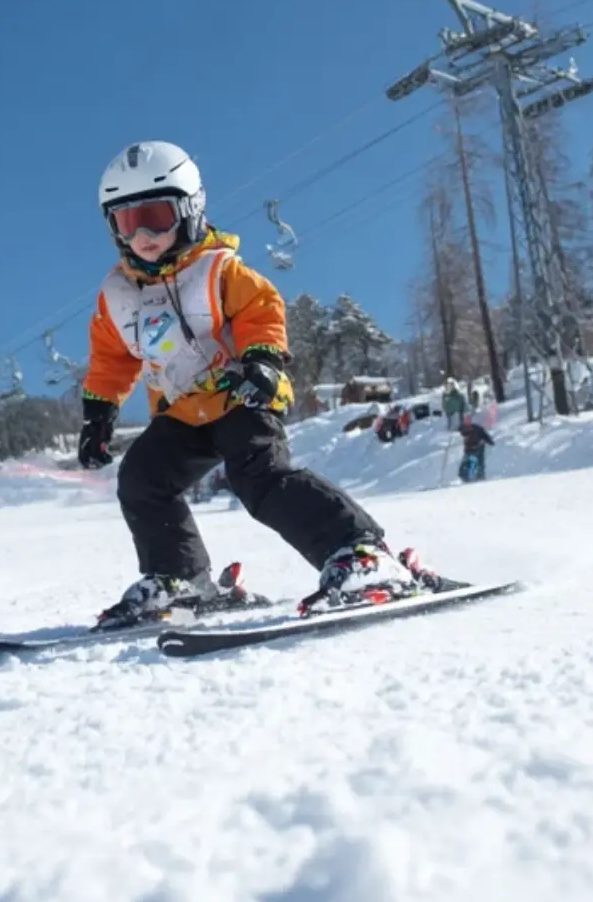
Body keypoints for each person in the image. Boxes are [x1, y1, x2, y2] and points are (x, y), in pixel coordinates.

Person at [77, 140, 442, 626]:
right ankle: (179, 578)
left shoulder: (218, 268)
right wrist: (99, 414)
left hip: (240, 396)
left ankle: (359, 553)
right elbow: (110, 358)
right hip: (184, 412)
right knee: (142, 479)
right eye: (127, 221)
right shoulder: (117, 297)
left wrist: (263, 362)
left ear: (189, 210)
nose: (142, 233)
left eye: (157, 217)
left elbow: (261, 310)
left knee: (259, 477)